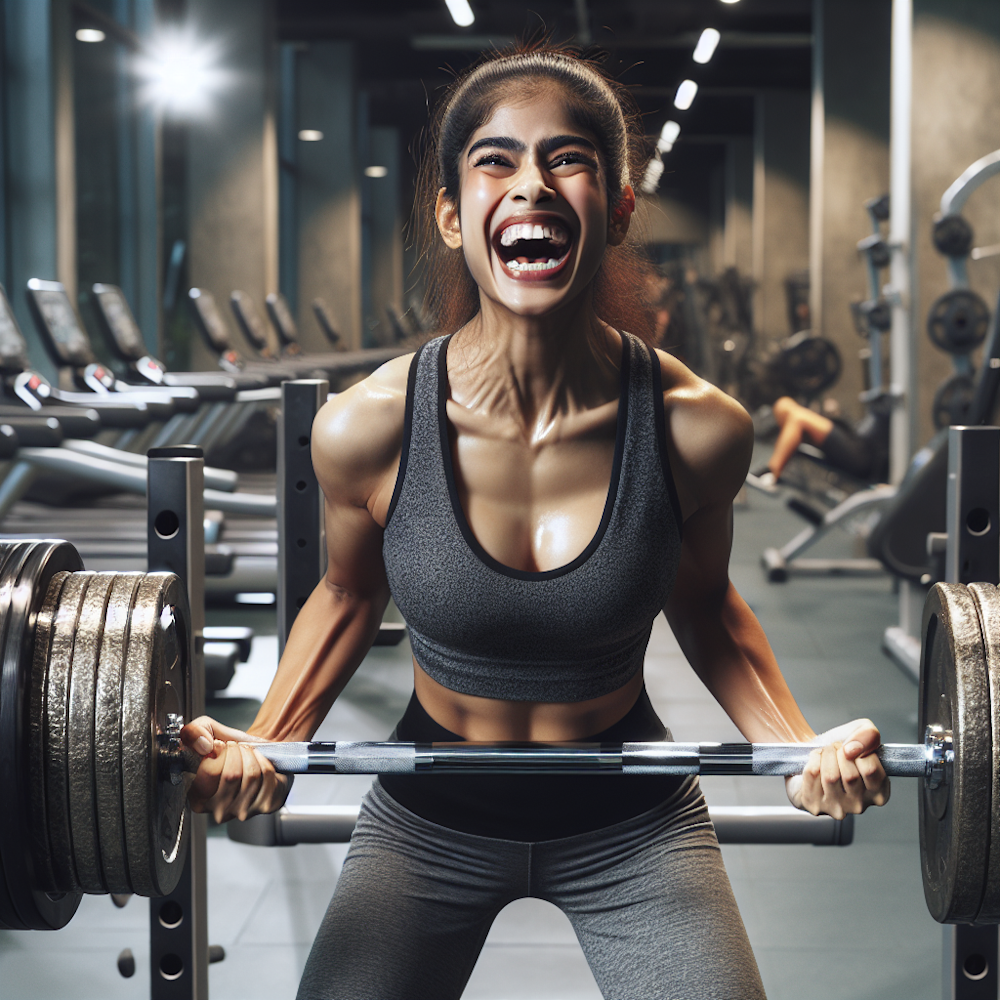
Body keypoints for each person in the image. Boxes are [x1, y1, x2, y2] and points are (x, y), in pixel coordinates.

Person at [181, 42, 890, 1000]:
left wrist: (801, 747)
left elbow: (708, 609)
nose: (532, 186)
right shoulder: (368, 427)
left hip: (633, 820)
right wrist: (266, 739)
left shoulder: (697, 429)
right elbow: (347, 596)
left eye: (569, 160)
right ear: (451, 215)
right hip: (430, 816)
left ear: (620, 206)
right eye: (496, 162)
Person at [747, 394, 891, 492]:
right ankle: (790, 443)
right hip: (855, 438)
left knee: (798, 419)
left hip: (862, 456)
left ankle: (772, 473)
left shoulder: (903, 403)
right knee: (783, 404)